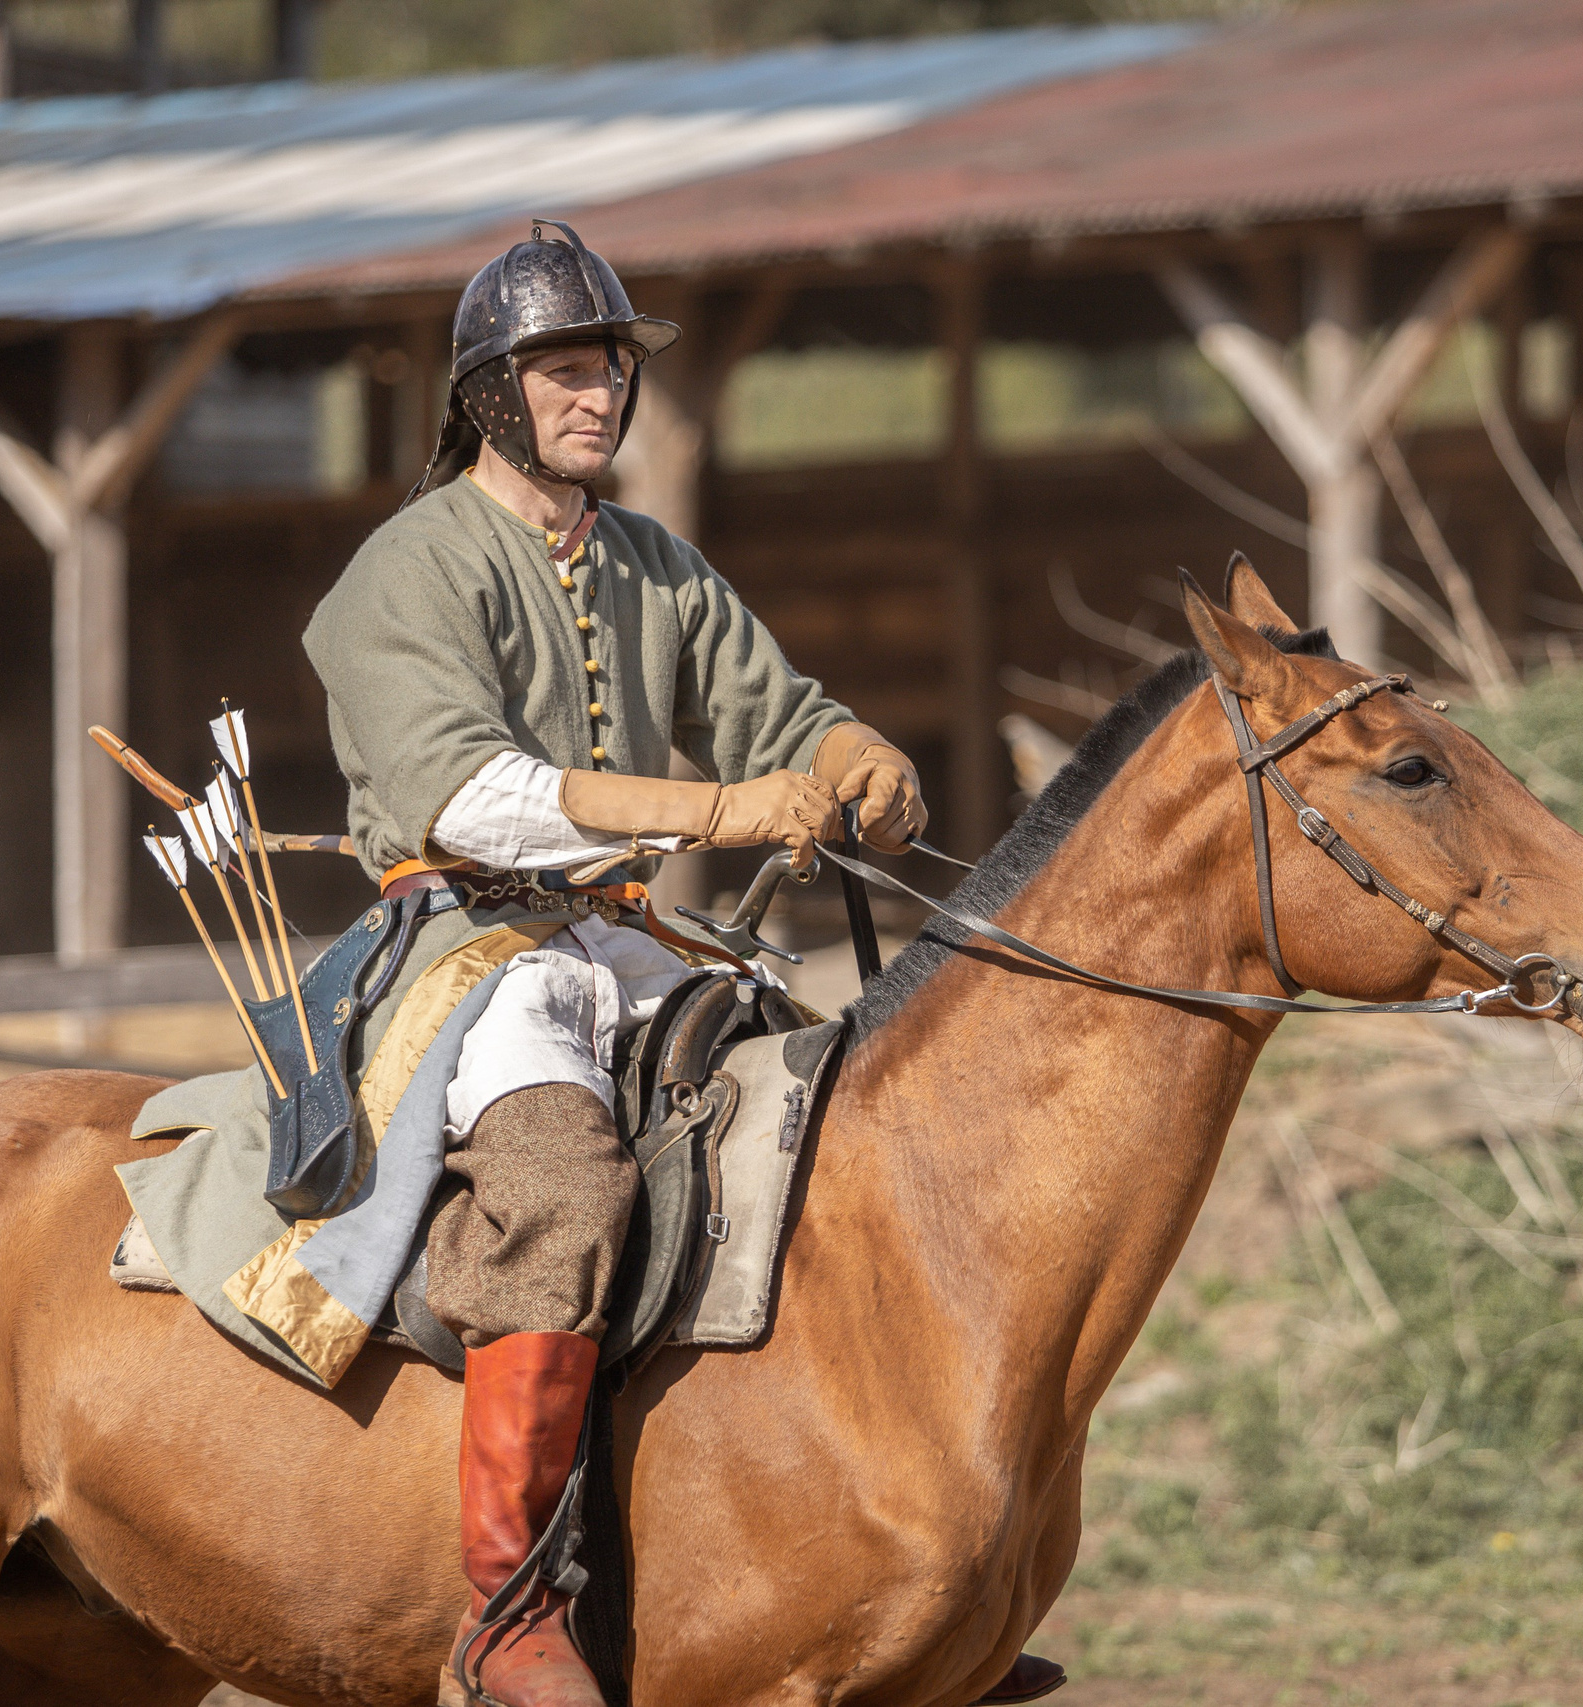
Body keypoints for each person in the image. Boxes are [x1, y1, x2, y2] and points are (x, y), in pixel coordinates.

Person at [304, 223, 1062, 1707]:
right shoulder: (406, 567)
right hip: (467, 949)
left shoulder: (654, 561)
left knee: (829, 1113)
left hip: (626, 941)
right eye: (565, 371)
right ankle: (508, 1608)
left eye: (612, 369)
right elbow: (468, 797)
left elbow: (780, 715)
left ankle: (861, 1565)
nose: (600, 394)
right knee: (565, 1187)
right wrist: (718, 811)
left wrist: (856, 754)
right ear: (491, 393)